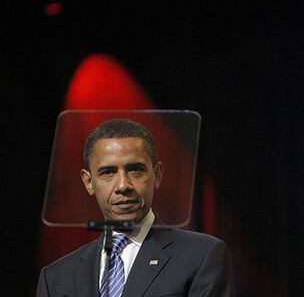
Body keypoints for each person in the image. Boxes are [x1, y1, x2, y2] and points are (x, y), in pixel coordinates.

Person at [36, 118, 234, 297]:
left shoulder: (202, 256)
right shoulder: (55, 278)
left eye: (135, 170)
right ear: (88, 182)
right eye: (108, 172)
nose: (123, 185)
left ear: (157, 174)